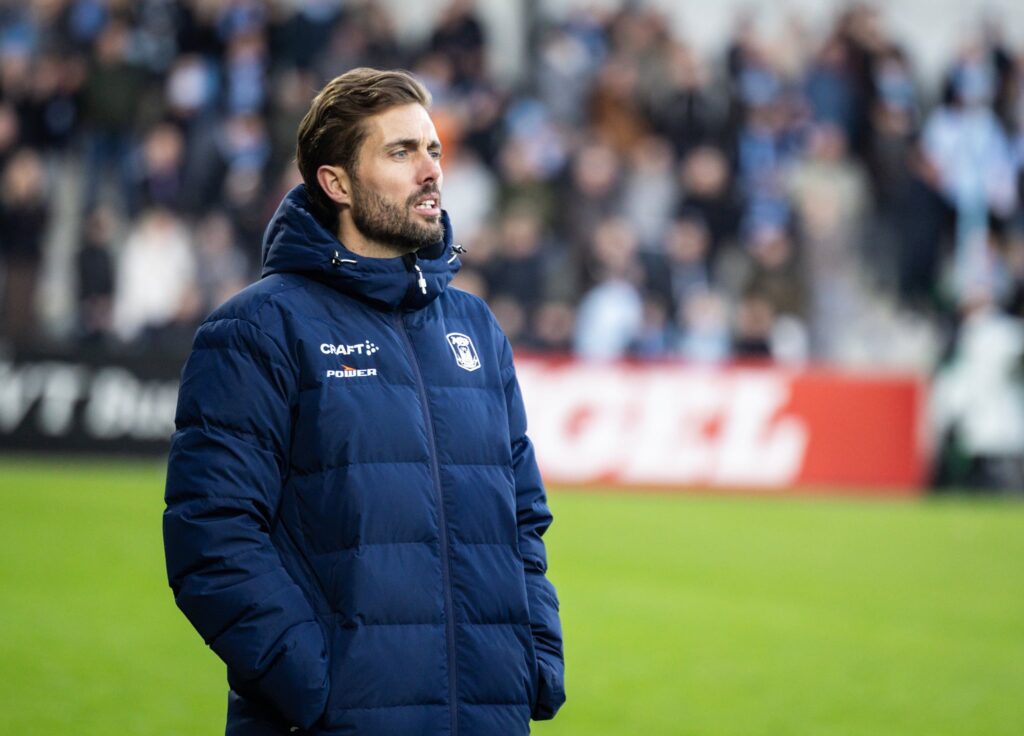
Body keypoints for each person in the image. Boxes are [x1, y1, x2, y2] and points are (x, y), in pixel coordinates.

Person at [162, 68, 566, 735]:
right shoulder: (258, 329)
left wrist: (535, 658)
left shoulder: (475, 328)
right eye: (401, 151)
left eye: (433, 150)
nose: (430, 169)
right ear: (336, 182)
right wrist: (319, 688)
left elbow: (523, 520)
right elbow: (212, 533)